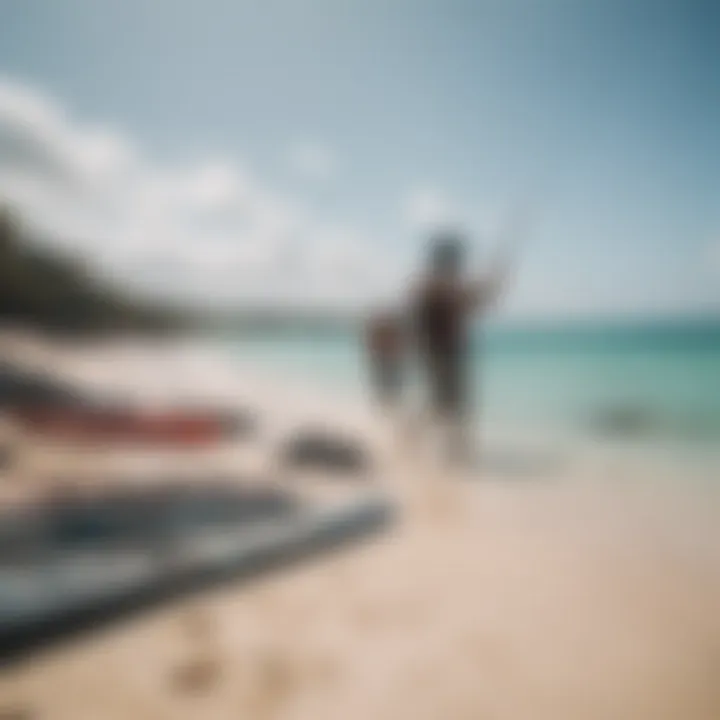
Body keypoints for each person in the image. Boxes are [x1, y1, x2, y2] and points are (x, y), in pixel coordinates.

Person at [412, 228, 518, 464]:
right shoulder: (432, 285)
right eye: (456, 259)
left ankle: (433, 448)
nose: (459, 265)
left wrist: (492, 286)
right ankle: (454, 457)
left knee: (445, 406)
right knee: (451, 407)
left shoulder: (436, 285)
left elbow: (473, 303)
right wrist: (490, 285)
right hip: (441, 356)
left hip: (446, 355)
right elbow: (465, 299)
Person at [365, 309, 405, 410]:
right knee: (387, 384)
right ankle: (387, 405)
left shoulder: (385, 331)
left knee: (388, 384)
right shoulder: (385, 331)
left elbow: (374, 345)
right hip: (386, 361)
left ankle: (388, 405)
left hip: (388, 361)